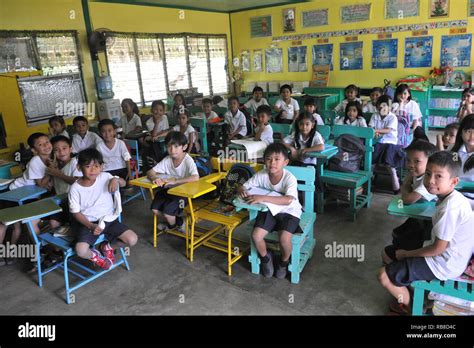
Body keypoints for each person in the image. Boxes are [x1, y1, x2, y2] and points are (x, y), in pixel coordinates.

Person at [378, 151, 474, 315]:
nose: (430, 180)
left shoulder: (449, 208)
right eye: (428, 173)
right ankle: (411, 293)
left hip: (445, 264)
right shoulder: (451, 198)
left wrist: (407, 254)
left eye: (438, 176)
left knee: (383, 276)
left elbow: (438, 249)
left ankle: (416, 308)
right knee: (388, 253)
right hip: (448, 256)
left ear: (454, 181)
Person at [237, 143, 303, 279]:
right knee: (256, 235)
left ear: (285, 162)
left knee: (284, 239)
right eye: (268, 158)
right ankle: (266, 258)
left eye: (277, 159)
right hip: (270, 210)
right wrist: (242, 190)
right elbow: (243, 186)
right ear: (264, 161)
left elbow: (288, 200)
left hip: (289, 211)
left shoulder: (289, 178)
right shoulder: (262, 174)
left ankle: (284, 262)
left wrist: (262, 197)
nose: (272, 162)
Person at [69, 148, 138, 270]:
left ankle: (107, 247)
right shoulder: (75, 188)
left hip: (109, 220)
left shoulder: (105, 176)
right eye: (88, 166)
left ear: (101, 167)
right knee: (80, 250)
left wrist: (115, 179)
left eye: (96, 166)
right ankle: (95, 256)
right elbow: (76, 213)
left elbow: (124, 183)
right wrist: (90, 226)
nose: (93, 170)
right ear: (79, 168)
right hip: (89, 224)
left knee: (132, 240)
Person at [382, 140, 438, 265]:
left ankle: (404, 265)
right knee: (398, 235)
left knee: (405, 240)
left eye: (417, 161)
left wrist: (406, 186)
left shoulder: (429, 181)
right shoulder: (417, 174)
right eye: (408, 160)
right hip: (423, 217)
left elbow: (407, 199)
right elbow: (405, 191)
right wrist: (406, 187)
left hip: (433, 226)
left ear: (430, 163)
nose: (410, 165)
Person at [147, 132, 199, 232]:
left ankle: (172, 224)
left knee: (167, 213)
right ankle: (179, 222)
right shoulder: (167, 159)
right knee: (155, 209)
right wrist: (154, 178)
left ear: (184, 147)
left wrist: (175, 181)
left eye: (176, 146)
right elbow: (150, 172)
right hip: (169, 190)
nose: (172, 150)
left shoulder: (188, 160)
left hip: (184, 194)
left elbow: (195, 177)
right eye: (169, 146)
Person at [369, 95, 404, 193]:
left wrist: (376, 130)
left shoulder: (392, 117)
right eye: (380, 105)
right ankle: (369, 183)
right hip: (378, 142)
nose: (382, 108)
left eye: (385, 106)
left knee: (390, 165)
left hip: (390, 143)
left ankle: (396, 187)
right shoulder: (374, 115)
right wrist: (374, 131)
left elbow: (387, 130)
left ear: (389, 107)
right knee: (371, 162)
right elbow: (370, 128)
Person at [451, 114, 474, 208]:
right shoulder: (454, 152)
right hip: (452, 195)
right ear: (461, 132)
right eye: (468, 131)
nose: (472, 136)